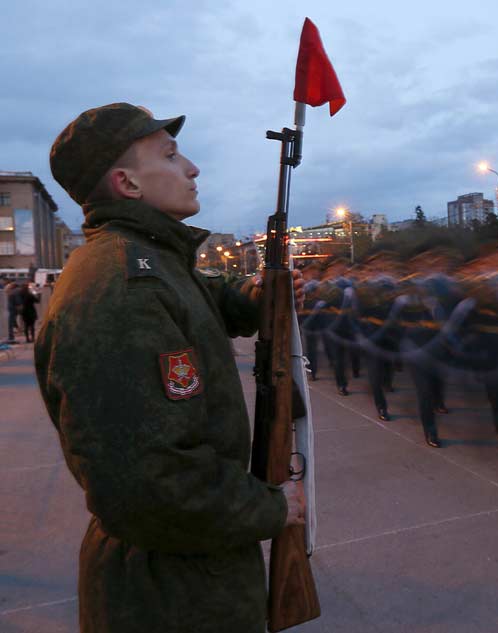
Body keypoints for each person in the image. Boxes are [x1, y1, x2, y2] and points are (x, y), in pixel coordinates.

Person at [36, 103, 306, 633]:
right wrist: (271, 509)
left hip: (190, 576)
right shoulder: (123, 289)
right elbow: (152, 485)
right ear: (127, 183)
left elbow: (201, 298)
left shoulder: (149, 260)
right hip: (169, 594)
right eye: (170, 155)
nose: (192, 168)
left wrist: (257, 296)